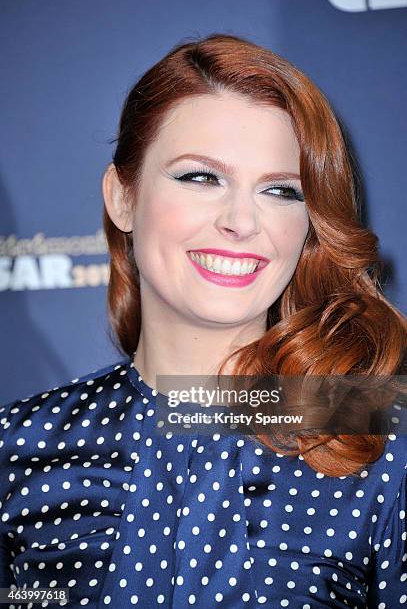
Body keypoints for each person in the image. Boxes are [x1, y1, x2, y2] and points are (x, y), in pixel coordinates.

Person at [0, 32, 406, 609]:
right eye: (200, 177)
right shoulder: (20, 446)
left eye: (280, 190)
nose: (242, 221)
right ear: (122, 198)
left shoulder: (377, 436)